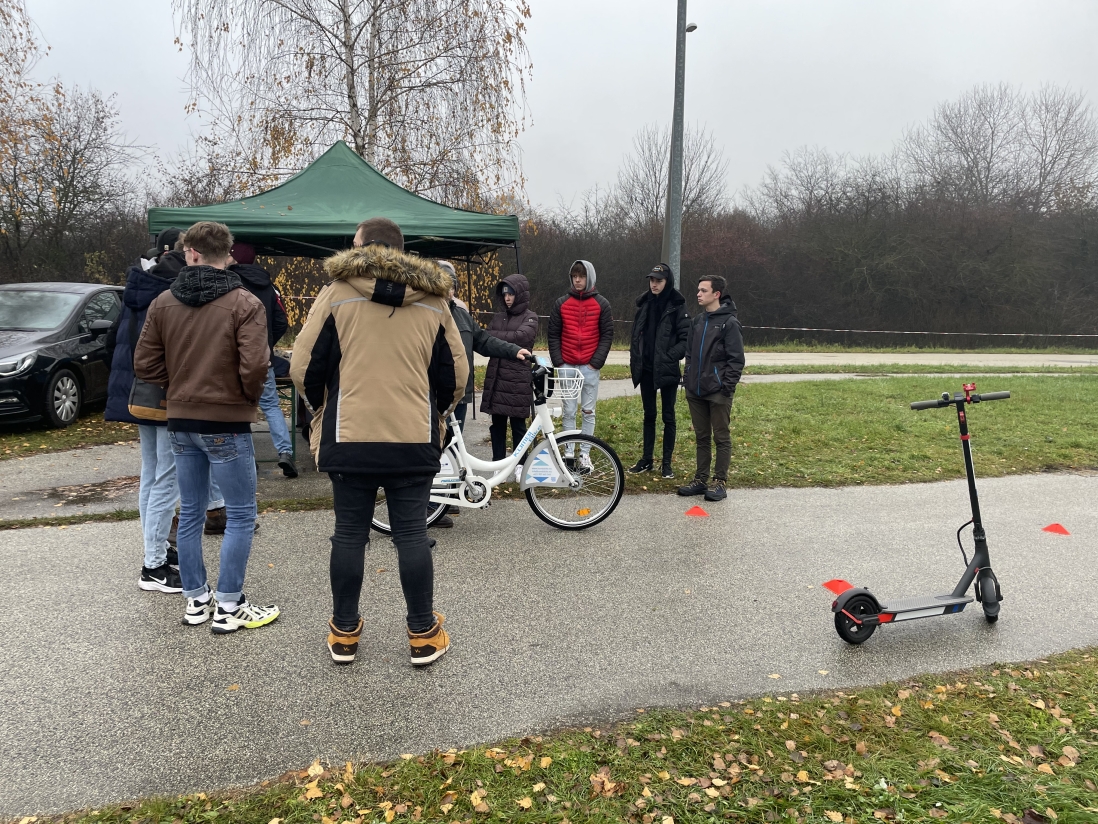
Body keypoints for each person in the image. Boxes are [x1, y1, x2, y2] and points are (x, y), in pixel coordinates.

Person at [291, 217, 468, 667]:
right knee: (412, 534)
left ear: (363, 247)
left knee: (349, 534)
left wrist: (324, 410)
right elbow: (456, 375)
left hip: (349, 436)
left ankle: (344, 633)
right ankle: (423, 633)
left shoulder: (336, 293)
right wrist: (435, 414)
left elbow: (303, 367)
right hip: (413, 437)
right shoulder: (435, 300)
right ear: (400, 249)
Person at [134, 220, 279, 633]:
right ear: (226, 254)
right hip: (226, 420)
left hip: (181, 419)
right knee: (240, 513)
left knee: (192, 513)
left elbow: (144, 364)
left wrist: (178, 387)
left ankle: (197, 600)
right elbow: (257, 365)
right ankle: (229, 604)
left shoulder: (163, 302)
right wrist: (244, 398)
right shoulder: (244, 302)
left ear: (191, 253)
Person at [434, 262, 531, 529]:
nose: (448, 290)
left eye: (451, 286)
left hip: (460, 394)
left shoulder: (462, 316)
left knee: (452, 448)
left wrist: (514, 350)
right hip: (435, 395)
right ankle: (429, 505)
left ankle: (447, 498)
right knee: (434, 449)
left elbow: (484, 341)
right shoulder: (425, 315)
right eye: (442, 285)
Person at [227, 241, 297, 478]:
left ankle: (248, 458)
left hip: (234, 357)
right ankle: (285, 452)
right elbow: (281, 320)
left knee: (238, 409)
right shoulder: (269, 285)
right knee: (271, 406)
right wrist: (267, 342)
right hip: (263, 357)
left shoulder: (226, 284)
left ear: (234, 258)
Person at [677, 275, 745, 503]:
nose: (698, 294)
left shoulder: (729, 323)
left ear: (716, 294)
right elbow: (689, 353)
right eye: (698, 290)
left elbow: (736, 360)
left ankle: (720, 481)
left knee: (721, 437)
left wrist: (727, 387)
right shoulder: (697, 321)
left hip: (718, 391)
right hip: (695, 390)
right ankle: (700, 479)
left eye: (703, 290)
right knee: (702, 437)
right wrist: (688, 378)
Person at [547, 260, 613, 471]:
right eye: (574, 276)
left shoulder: (602, 304)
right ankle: (568, 454)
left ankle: (585, 454)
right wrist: (559, 362)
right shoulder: (561, 303)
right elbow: (553, 334)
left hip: (589, 367)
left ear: (589, 277)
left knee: (588, 411)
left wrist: (596, 363)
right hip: (566, 365)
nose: (577, 280)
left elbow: (607, 335)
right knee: (568, 411)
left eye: (581, 276)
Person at [627, 263, 690, 479]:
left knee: (668, 416)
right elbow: (636, 336)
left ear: (667, 282)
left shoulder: (677, 305)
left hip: (667, 370)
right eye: (652, 280)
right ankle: (647, 459)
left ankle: (666, 463)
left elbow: (686, 339)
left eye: (659, 281)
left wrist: (669, 357)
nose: (654, 284)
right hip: (646, 369)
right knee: (649, 415)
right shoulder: (644, 303)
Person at [480, 274, 539, 462]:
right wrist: (499, 338)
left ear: (519, 294)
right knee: (497, 425)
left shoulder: (531, 317)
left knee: (518, 426)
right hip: (497, 378)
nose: (507, 298)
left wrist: (496, 338)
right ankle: (497, 463)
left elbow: (521, 337)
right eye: (505, 294)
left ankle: (521, 464)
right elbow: (486, 339)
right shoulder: (498, 317)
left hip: (517, 380)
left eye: (511, 294)